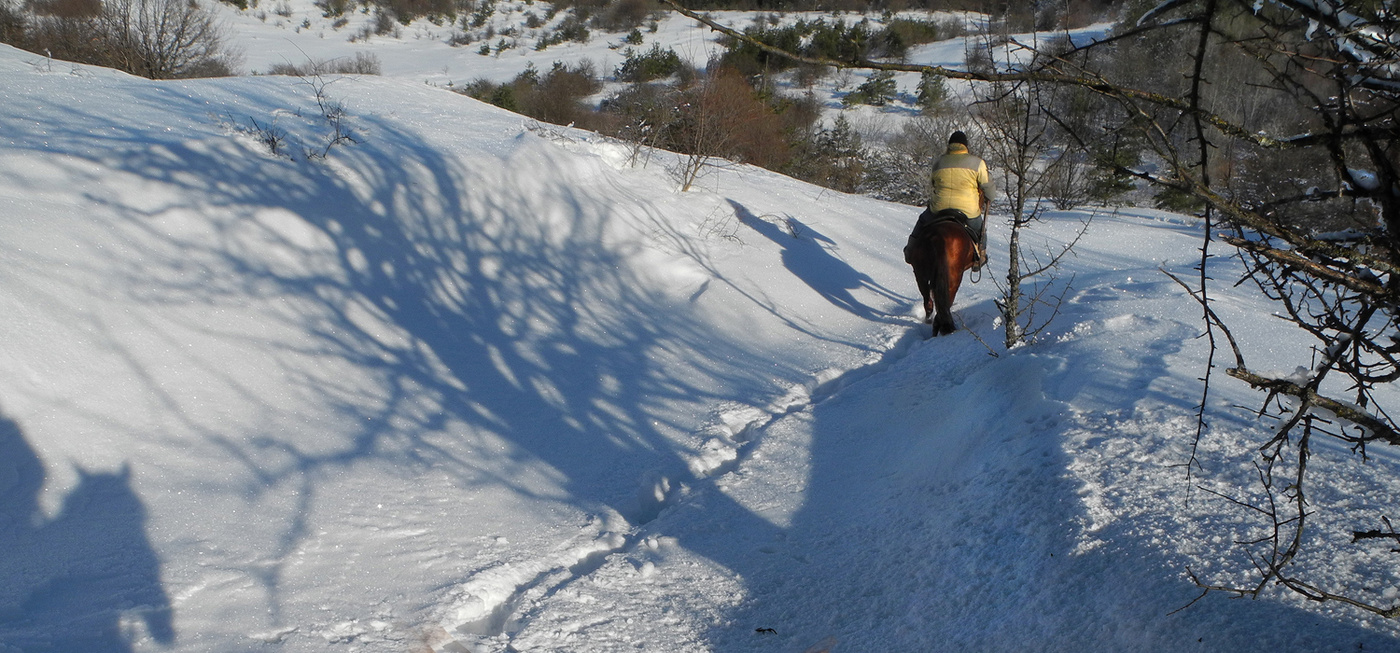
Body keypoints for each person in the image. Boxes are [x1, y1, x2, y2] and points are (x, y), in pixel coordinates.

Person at [913, 130, 996, 271]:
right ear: (965, 146)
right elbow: (987, 187)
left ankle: (911, 249)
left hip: (939, 208)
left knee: (922, 221)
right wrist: (990, 196)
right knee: (980, 229)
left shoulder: (938, 162)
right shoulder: (977, 163)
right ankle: (980, 257)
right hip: (967, 210)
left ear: (950, 145)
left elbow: (933, 184)